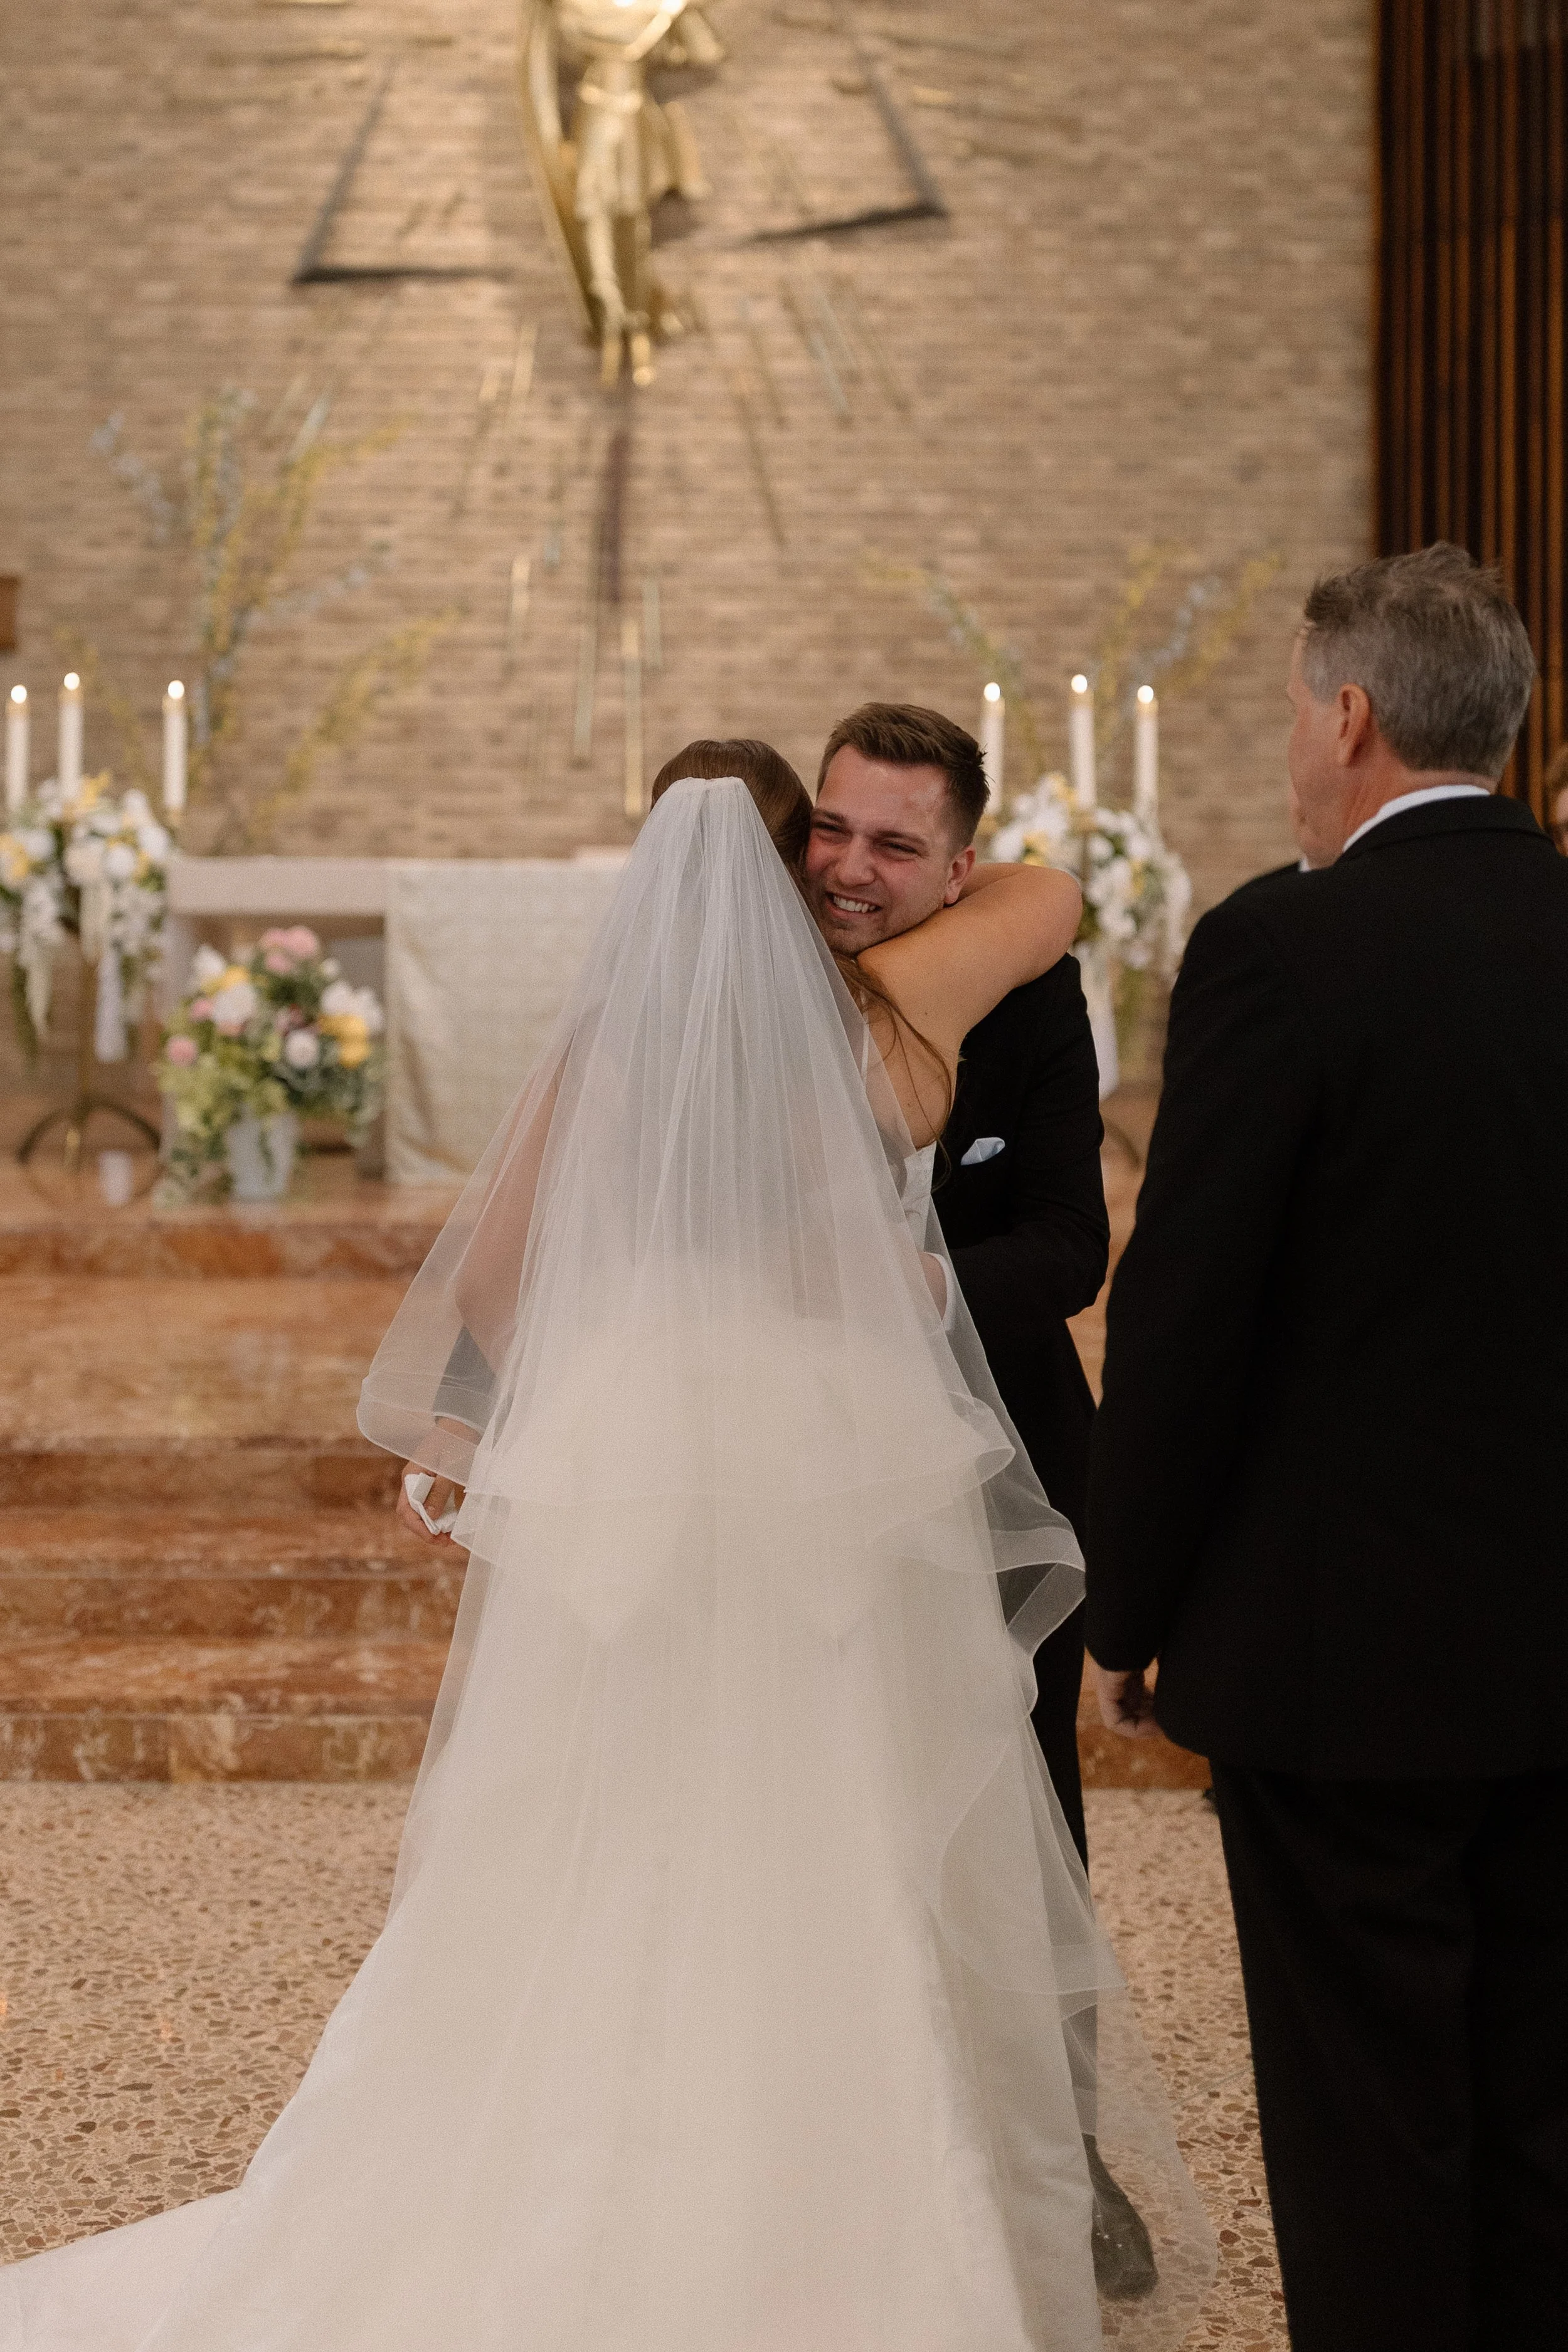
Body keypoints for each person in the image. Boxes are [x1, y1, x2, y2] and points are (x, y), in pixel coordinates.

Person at [2, 742, 1212, 2351]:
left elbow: (498, 1287)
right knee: (829, 1806)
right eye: (825, 844)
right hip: (810, 1454)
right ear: (789, 876)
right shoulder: (867, 1044)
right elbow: (845, 1233)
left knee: (607, 1797)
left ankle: (574, 2133)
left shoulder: (602, 1050)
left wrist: (566, 1383)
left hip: (634, 1449)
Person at [1084, 544, 1567, 2352]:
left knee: (1370, 2116)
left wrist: (1126, 1602)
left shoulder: (1280, 949)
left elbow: (1188, 1306)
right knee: (1536, 2099)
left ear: (1348, 714)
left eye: (1294, 708)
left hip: (1343, 1659)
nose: (1292, 745)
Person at [801, 703, 1155, 2294]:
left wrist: (918, 1281)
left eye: (892, 844)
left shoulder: (1025, 986)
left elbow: (1067, 1248)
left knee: (1026, 1817)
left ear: (962, 862)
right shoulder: (759, 969)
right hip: (800, 1478)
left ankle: (1056, 2150)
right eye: (832, 828)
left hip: (996, 1463)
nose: (850, 869)